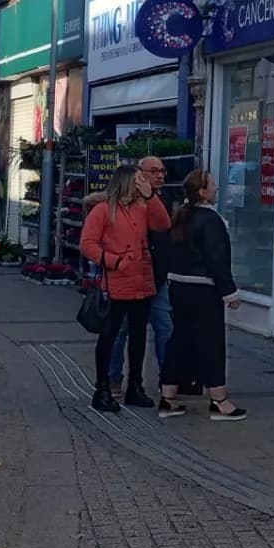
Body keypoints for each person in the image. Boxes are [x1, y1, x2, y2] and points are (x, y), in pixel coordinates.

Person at [79, 163, 171, 413]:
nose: (143, 183)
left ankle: (135, 386)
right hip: (116, 284)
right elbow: (87, 243)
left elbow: (163, 224)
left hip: (142, 282)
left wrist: (151, 197)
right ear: (127, 182)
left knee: (139, 337)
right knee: (110, 336)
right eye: (139, 180)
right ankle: (103, 388)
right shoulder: (102, 210)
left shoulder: (143, 207)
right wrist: (113, 260)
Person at [158, 169, 246, 420]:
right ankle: (219, 400)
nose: (217, 188)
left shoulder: (181, 217)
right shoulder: (211, 220)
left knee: (180, 341)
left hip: (178, 287)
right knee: (211, 342)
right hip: (203, 289)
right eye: (213, 185)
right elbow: (217, 259)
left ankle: (168, 397)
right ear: (203, 191)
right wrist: (229, 292)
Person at [108, 155, 177, 397]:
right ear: (139, 175)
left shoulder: (162, 200)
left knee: (165, 329)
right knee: (121, 331)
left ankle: (168, 381)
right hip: (128, 278)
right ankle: (114, 379)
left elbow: (165, 226)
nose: (160, 175)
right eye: (154, 171)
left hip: (156, 278)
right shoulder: (123, 204)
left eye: (162, 171)